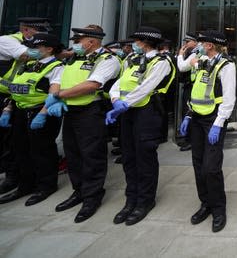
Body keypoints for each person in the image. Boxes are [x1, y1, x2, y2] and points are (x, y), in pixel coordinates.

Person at [47, 25, 120, 222]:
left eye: (79, 41)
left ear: (91, 41)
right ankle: (78, 191)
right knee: (73, 153)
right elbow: (58, 78)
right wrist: (55, 95)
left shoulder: (107, 59)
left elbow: (93, 85)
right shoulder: (74, 58)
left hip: (91, 111)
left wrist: (58, 95)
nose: (76, 44)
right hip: (70, 110)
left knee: (92, 154)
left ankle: (92, 196)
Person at [106, 26, 175, 226]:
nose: (133, 45)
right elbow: (120, 82)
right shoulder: (131, 60)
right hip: (127, 113)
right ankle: (131, 199)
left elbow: (147, 87)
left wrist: (124, 104)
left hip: (147, 113)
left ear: (145, 42)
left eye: (136, 41)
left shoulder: (161, 62)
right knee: (129, 156)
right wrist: (115, 99)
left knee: (145, 157)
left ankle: (145, 201)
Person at [178, 31, 236, 232]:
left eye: (202, 43)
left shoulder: (226, 66)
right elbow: (186, 73)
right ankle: (206, 204)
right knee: (198, 163)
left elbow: (229, 99)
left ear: (210, 45)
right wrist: (188, 114)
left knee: (211, 167)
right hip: (196, 117)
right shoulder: (201, 60)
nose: (199, 45)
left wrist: (219, 124)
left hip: (214, 120)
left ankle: (219, 209)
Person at [0, 33, 63, 206]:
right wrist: (8, 109)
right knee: (20, 149)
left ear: (49, 49)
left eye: (36, 47)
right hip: (20, 111)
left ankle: (46, 186)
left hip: (40, 112)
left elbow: (54, 93)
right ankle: (25, 185)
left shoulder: (56, 66)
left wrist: (43, 114)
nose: (31, 50)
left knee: (41, 151)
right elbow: (17, 88)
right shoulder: (27, 64)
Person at [0, 17, 51, 194]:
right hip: (6, 96)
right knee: (10, 142)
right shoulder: (8, 41)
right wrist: (58, 51)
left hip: (18, 100)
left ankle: (17, 177)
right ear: (27, 31)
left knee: (14, 142)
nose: (42, 38)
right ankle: (12, 177)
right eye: (39, 33)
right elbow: (26, 55)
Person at [175, 32, 200, 152]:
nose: (185, 44)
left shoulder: (195, 53)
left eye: (188, 41)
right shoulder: (190, 52)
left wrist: (180, 55)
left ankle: (190, 140)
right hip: (189, 86)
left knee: (189, 113)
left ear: (195, 42)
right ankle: (188, 137)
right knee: (187, 113)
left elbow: (183, 67)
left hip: (192, 87)